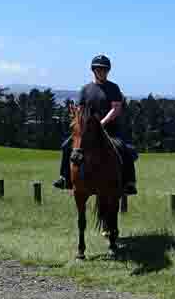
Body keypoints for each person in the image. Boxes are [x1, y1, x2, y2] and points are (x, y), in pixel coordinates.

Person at [53, 54, 137, 195]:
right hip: (87, 130)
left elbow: (116, 108)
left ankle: (129, 182)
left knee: (125, 148)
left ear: (108, 71)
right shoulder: (85, 89)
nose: (101, 72)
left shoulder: (113, 88)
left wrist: (102, 123)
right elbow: (80, 110)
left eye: (103, 69)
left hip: (109, 129)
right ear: (93, 70)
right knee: (66, 146)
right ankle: (65, 178)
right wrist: (78, 121)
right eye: (98, 69)